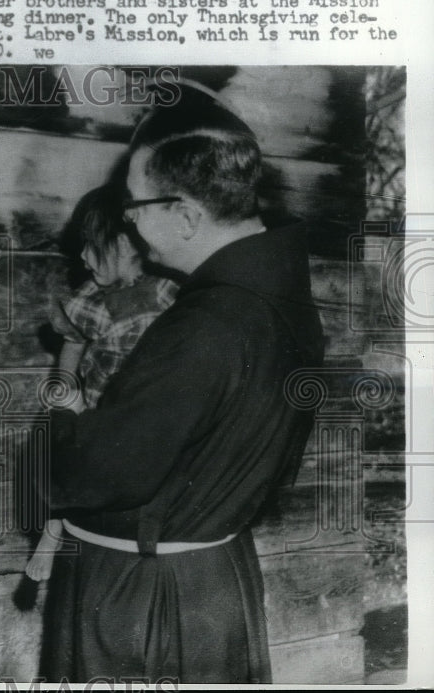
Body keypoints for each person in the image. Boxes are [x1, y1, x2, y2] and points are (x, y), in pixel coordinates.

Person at [44, 89, 324, 683]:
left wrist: (65, 420)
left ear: (188, 215)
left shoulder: (205, 325)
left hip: (143, 595)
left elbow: (94, 474)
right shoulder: (280, 296)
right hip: (213, 573)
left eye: (135, 205)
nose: (130, 220)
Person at [26, 181, 176, 582]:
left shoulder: (168, 291)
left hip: (146, 405)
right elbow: (73, 343)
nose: (82, 255)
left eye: (92, 245)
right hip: (97, 405)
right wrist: (65, 393)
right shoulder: (89, 300)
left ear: (128, 244)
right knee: (68, 458)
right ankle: (53, 530)